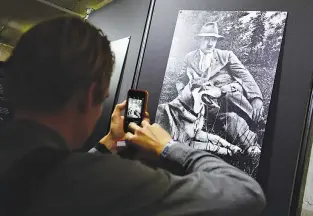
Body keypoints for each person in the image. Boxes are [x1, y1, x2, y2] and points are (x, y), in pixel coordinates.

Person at [0, 16, 265, 216]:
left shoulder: (36, 164)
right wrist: (168, 146)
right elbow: (246, 194)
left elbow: (50, 169)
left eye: (212, 39)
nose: (208, 42)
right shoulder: (104, 179)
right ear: (92, 95)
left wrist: (109, 144)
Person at [172, 22, 264, 153]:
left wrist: (256, 98)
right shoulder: (190, 57)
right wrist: (184, 96)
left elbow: (245, 76)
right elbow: (180, 80)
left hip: (229, 95)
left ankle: (257, 121)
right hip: (208, 103)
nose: (210, 43)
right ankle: (251, 144)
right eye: (206, 39)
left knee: (230, 93)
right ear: (199, 40)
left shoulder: (226, 55)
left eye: (213, 39)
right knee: (230, 118)